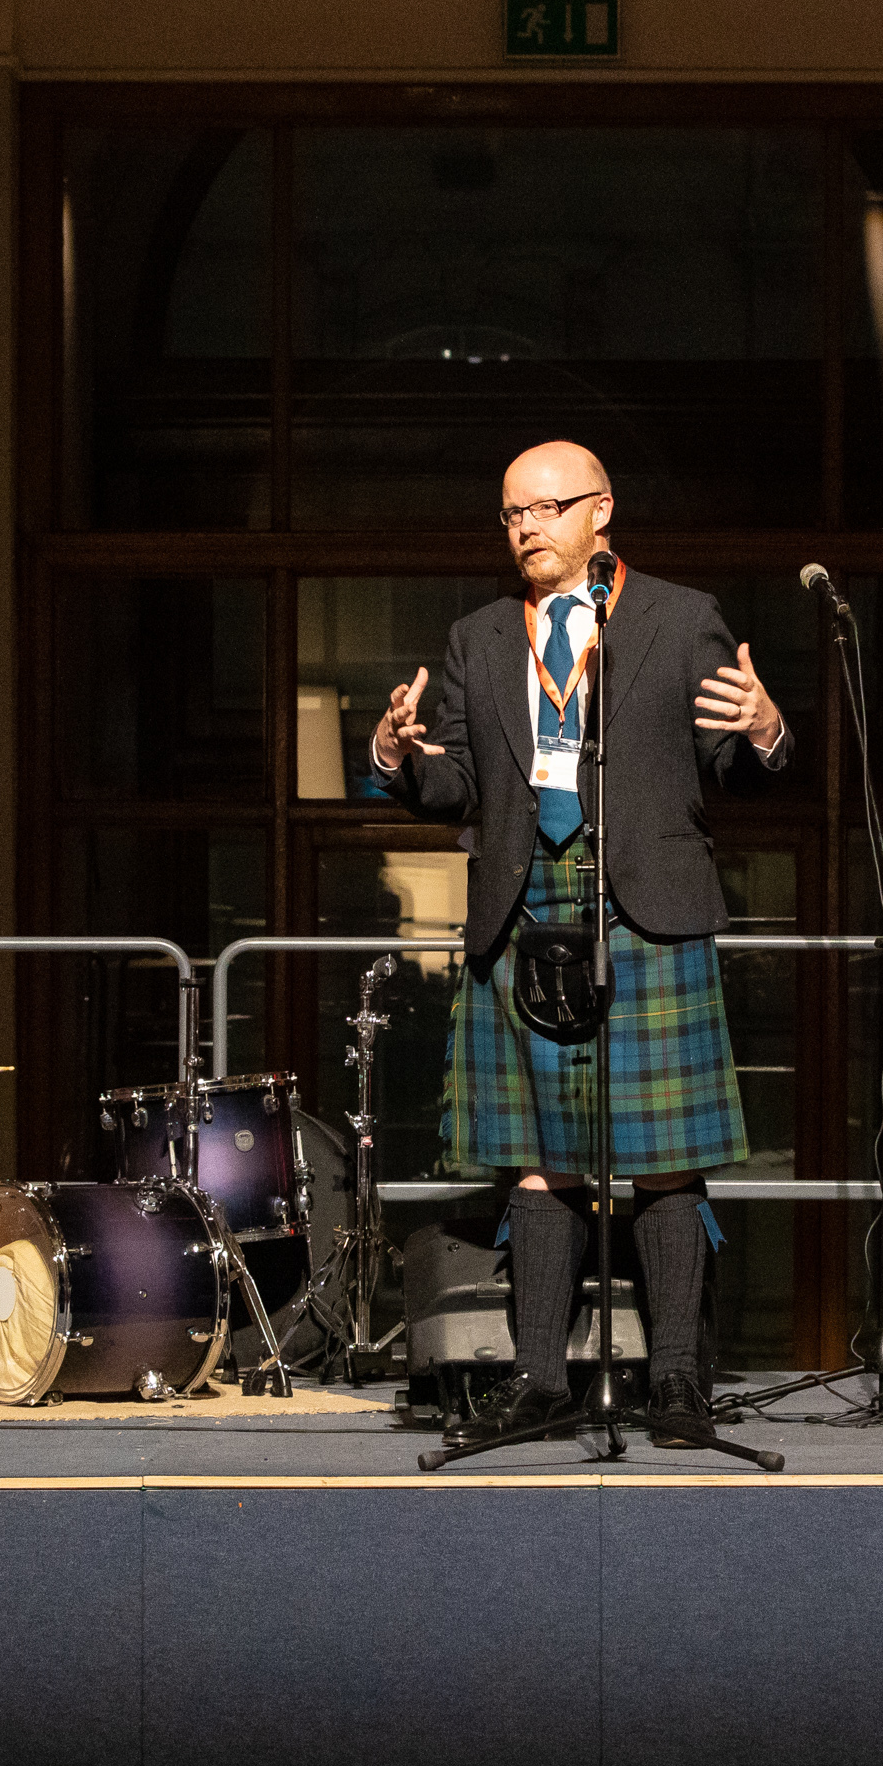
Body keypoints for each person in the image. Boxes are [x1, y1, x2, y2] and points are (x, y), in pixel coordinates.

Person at [369, 440, 788, 1447]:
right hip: (523, 910)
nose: (527, 529)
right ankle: (541, 1385)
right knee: (533, 1163)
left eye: (547, 509)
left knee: (669, 1164)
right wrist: (393, 760)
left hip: (644, 908)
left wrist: (769, 729)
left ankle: (681, 1387)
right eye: (512, 514)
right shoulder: (477, 637)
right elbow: (457, 785)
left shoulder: (680, 618)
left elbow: (734, 762)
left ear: (602, 512)